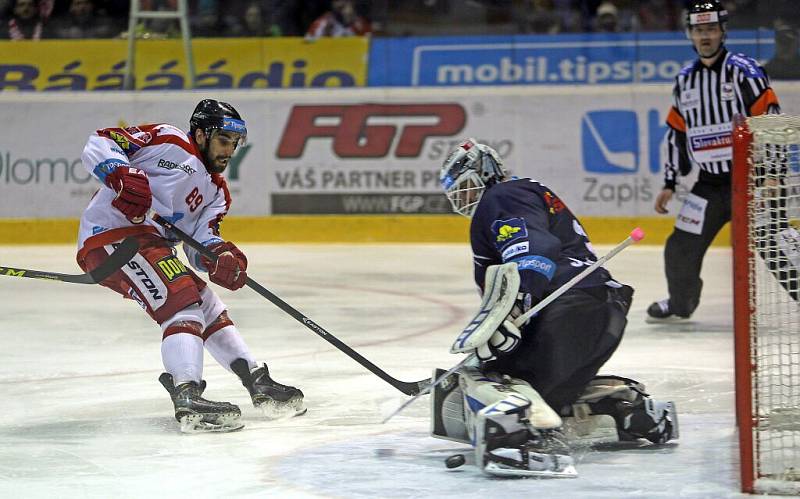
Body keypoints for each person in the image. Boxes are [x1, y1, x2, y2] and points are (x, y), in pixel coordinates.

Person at [431, 138, 678, 478]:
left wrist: (515, 305)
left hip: (564, 311)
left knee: (492, 378)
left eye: (467, 187)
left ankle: (517, 436)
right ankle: (623, 409)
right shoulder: (525, 194)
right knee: (545, 391)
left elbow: (533, 249)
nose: (465, 198)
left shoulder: (500, 196)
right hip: (604, 310)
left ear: (486, 175)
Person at [75, 99, 305, 433]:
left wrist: (221, 258)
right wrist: (121, 173)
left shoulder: (217, 192)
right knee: (181, 301)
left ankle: (257, 381)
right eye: (224, 141)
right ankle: (187, 394)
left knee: (208, 305)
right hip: (113, 237)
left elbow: (200, 245)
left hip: (150, 246)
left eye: (235, 144)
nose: (229, 151)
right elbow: (101, 142)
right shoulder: (167, 139)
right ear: (200, 134)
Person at [647, 0, 780, 322]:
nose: (705, 36)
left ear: (722, 31)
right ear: (689, 34)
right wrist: (670, 182)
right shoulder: (685, 80)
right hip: (709, 184)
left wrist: (772, 173)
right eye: (698, 30)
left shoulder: (744, 71)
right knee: (680, 247)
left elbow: (770, 118)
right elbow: (677, 133)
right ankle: (680, 304)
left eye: (710, 29)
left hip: (751, 180)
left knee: (776, 244)